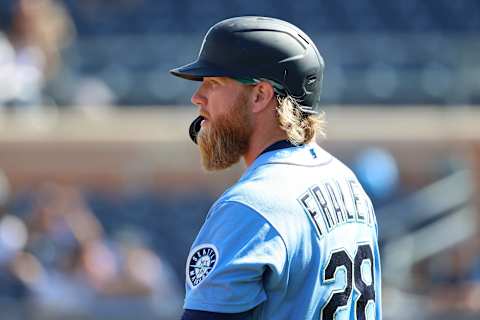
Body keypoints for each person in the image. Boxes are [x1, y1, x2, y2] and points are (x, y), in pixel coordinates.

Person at [170, 16, 382, 320]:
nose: (197, 98)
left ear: (260, 95)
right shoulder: (348, 183)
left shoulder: (250, 206)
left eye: (214, 83)